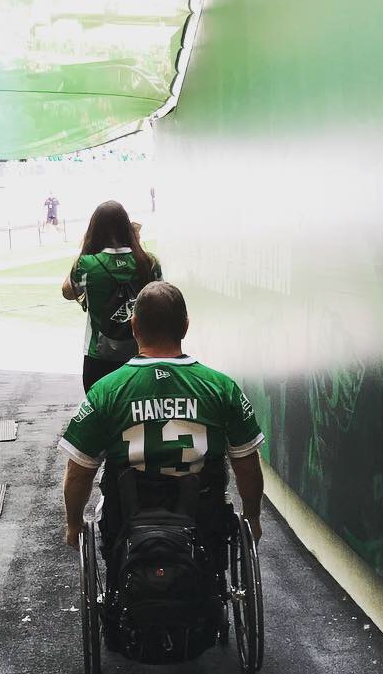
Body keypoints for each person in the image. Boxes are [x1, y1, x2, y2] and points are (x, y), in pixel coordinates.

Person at [59, 281, 265, 570]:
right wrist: (252, 517)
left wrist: (73, 524)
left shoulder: (105, 391)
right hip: (204, 525)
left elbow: (79, 472)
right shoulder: (222, 388)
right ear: (185, 326)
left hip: (127, 526)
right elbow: (247, 463)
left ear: (133, 327)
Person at [60, 200, 160, 393]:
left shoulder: (86, 264)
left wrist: (86, 248)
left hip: (98, 358)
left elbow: (67, 292)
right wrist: (136, 245)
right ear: (127, 228)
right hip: (142, 356)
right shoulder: (149, 262)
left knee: (100, 418)